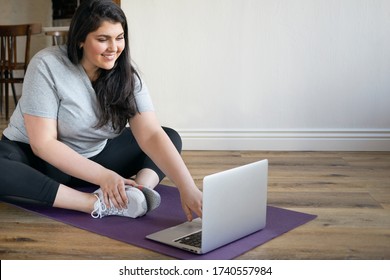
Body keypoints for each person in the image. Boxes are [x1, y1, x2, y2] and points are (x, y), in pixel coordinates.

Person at [0, 0, 202, 221]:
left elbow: (151, 134)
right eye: (102, 39)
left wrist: (188, 187)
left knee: (169, 137)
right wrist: (104, 176)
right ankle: (95, 203)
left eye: (119, 37)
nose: (114, 48)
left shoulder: (128, 76)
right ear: (80, 40)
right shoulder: (47, 64)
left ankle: (135, 194)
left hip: (93, 157)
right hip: (38, 160)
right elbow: (44, 144)